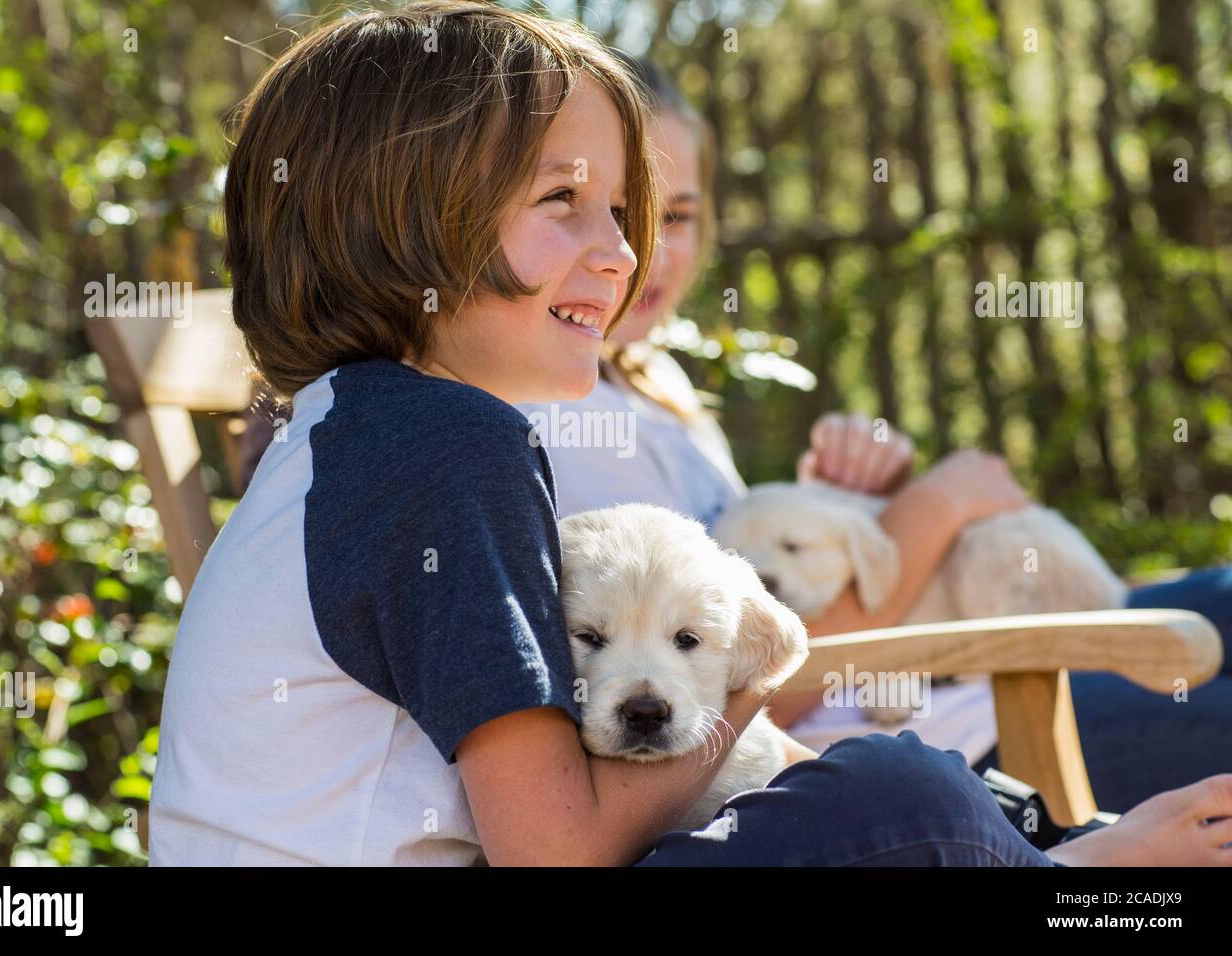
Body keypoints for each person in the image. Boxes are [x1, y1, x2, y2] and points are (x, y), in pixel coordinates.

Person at [153, 2, 1232, 866]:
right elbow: (560, 849)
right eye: (564, 201)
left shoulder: (355, 431)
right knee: (897, 792)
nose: (620, 254)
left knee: (900, 783)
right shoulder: (439, 446)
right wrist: (750, 662)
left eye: (627, 211)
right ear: (400, 225)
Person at [515, 52, 1232, 815]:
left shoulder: (659, 389)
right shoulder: (558, 414)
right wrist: (930, 512)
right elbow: (752, 687)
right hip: (939, 732)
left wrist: (844, 514)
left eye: (677, 215)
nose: (643, 249)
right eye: (617, 214)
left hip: (963, 674)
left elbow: (752, 596)